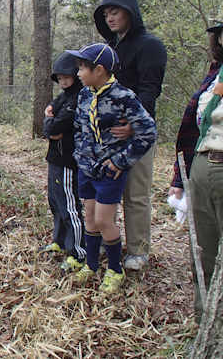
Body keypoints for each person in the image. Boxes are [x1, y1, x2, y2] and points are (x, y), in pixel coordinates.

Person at [69, 43, 157, 294]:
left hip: (110, 171)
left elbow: (148, 133)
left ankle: (115, 269)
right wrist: (81, 154)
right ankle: (92, 265)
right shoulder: (85, 95)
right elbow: (79, 127)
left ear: (99, 70)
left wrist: (121, 161)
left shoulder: (123, 97)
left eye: (82, 68)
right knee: (90, 218)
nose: (78, 74)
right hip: (87, 167)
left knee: (103, 220)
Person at [94, 0, 167, 270]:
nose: (110, 19)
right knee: (104, 187)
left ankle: (137, 250)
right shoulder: (108, 49)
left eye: (115, 12)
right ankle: (106, 240)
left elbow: (150, 89)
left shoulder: (151, 45)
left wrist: (134, 126)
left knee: (135, 194)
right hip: (106, 134)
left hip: (137, 133)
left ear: (130, 12)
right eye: (106, 14)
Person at [169, 2, 223, 324]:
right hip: (203, 166)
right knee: (204, 254)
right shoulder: (213, 75)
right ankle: (207, 328)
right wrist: (181, 176)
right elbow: (192, 128)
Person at [39, 52, 86, 274]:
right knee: (55, 202)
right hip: (55, 157)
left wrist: (50, 123)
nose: (63, 81)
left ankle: (78, 251)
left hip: (68, 160)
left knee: (69, 205)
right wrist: (50, 121)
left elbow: (55, 127)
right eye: (59, 77)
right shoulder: (63, 96)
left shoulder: (79, 97)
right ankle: (60, 240)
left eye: (66, 77)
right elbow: (49, 125)